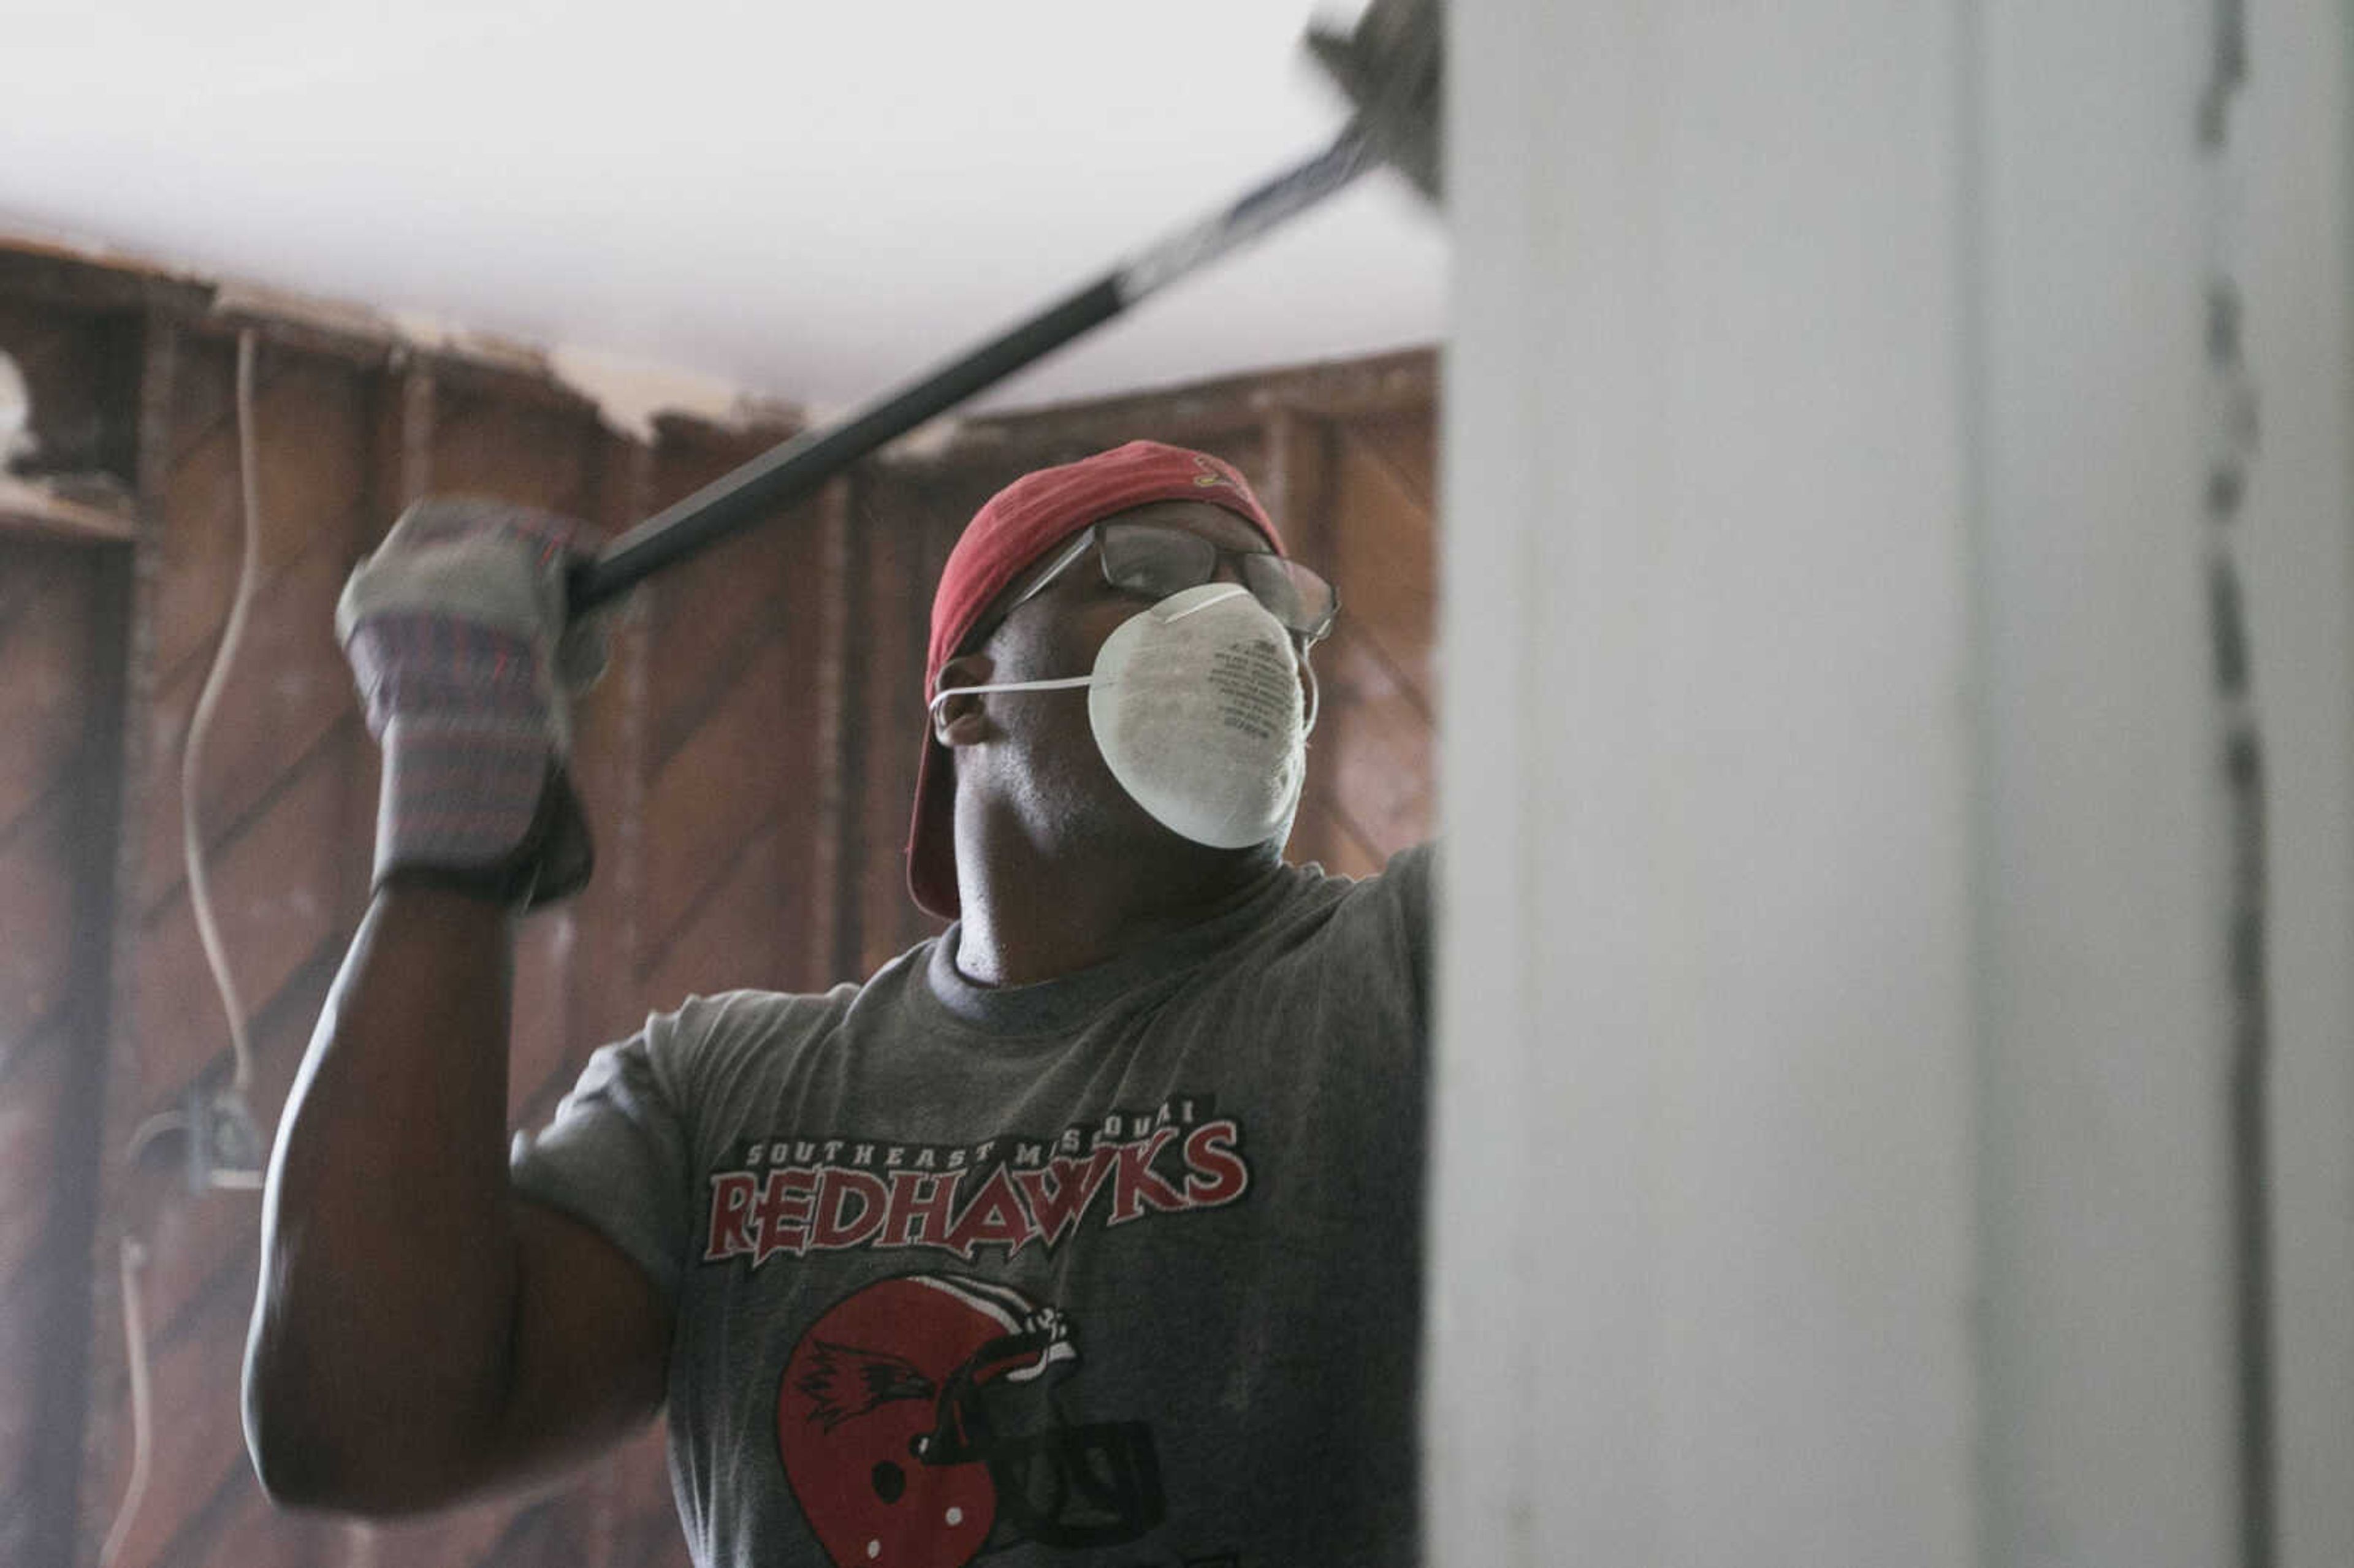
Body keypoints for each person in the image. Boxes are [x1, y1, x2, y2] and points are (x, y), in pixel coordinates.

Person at [243, 439, 1432, 1568]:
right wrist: (449, 814)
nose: (1239, 628)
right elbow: (357, 1424)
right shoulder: (726, 1096)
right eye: (1150, 577)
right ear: (965, 694)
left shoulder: (1409, 974)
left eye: (1275, 601)